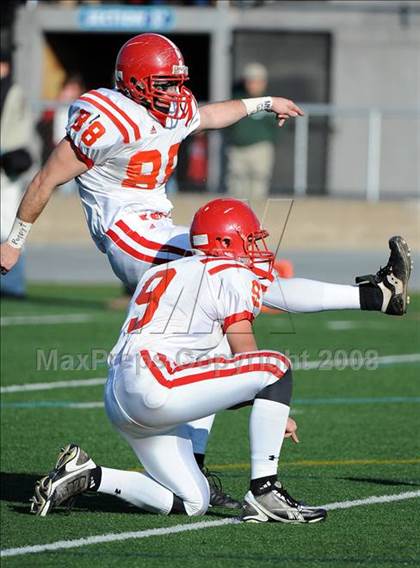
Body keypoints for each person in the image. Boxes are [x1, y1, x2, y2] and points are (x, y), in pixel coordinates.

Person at [0, 33, 412, 505]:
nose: (175, 93)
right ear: (133, 83)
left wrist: (265, 101)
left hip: (158, 224)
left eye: (177, 83)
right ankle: (372, 297)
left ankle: (376, 296)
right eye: (164, 84)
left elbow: (212, 114)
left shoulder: (170, 107)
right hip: (128, 235)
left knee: (233, 295)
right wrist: (14, 243)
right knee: (238, 275)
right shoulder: (106, 119)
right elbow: (47, 178)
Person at [30, 198, 327, 523]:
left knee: (192, 501)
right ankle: (265, 492)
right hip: (153, 382)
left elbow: (217, 385)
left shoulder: (160, 271)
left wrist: (267, 407)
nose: (253, 250)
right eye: (249, 241)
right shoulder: (226, 271)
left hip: (123, 393)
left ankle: (89, 475)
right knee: (274, 367)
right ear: (225, 242)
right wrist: (269, 401)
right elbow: (247, 354)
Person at [0, 47, 33, 299]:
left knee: (8, 228)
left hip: (5, 171)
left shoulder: (12, 91)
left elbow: (18, 132)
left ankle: (12, 285)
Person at [226, 62, 278, 199]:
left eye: (257, 81)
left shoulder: (272, 101)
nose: (253, 84)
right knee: (236, 186)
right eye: (250, 81)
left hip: (260, 148)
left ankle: (255, 218)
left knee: (259, 185)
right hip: (237, 149)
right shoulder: (237, 99)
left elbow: (278, 126)